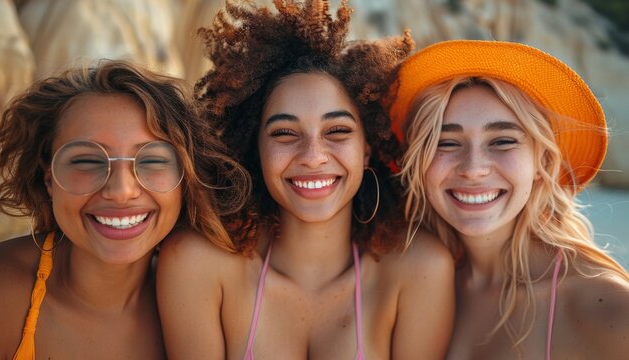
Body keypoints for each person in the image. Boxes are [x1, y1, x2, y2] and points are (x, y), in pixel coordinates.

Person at [156, 1, 455, 359]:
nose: (313, 155)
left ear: (367, 148)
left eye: (338, 131)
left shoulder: (419, 271)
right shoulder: (197, 265)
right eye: (284, 133)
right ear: (255, 147)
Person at [0, 60, 248, 359]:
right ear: (50, 180)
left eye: (151, 161)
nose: (121, 191)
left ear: (184, 180)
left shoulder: (211, 304)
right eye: (87, 161)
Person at [389, 39, 629, 359]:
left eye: (502, 141)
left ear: (542, 163)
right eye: (446, 143)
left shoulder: (606, 308)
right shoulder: (411, 286)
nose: (473, 168)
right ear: (418, 163)